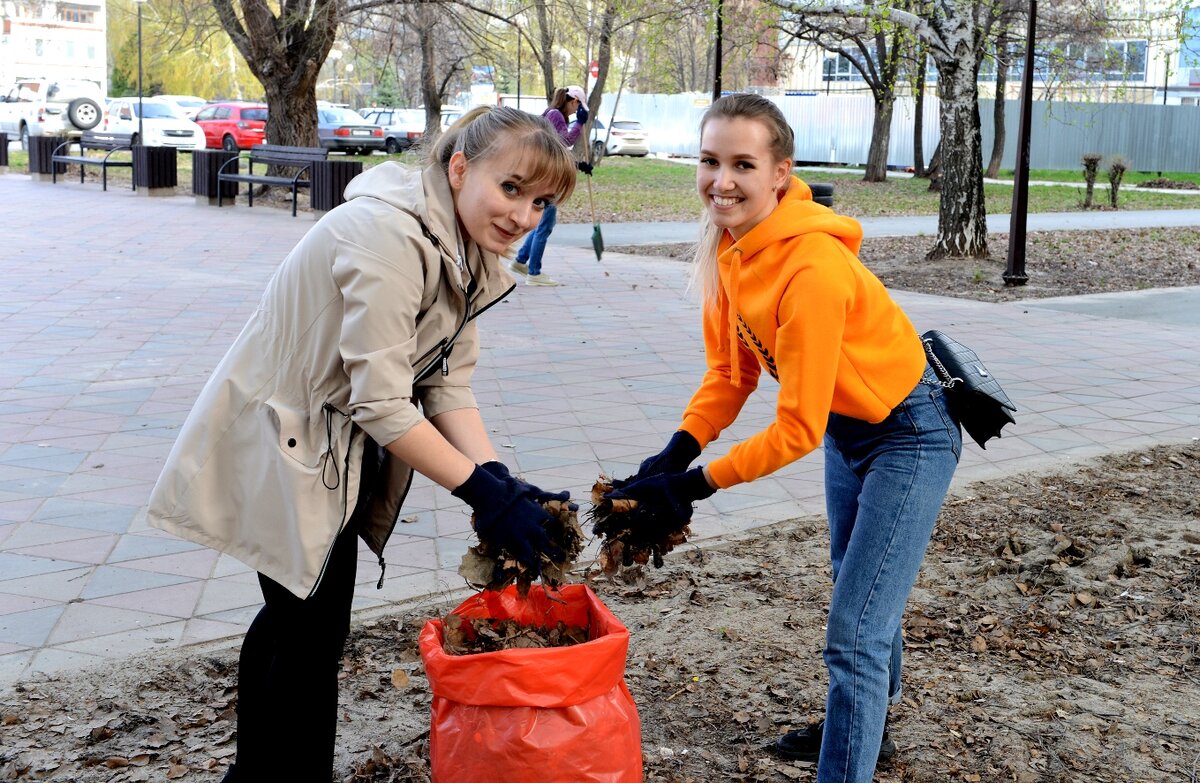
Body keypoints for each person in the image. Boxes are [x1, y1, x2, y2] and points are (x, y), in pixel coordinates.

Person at [146, 106, 580, 783]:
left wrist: (500, 481)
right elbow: (380, 400)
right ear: (460, 167)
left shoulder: (463, 248)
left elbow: (446, 387)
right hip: (284, 447)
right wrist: (483, 492)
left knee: (295, 616)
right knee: (313, 635)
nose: (523, 215)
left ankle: (254, 772)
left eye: (541, 202)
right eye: (512, 187)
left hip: (330, 450)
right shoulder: (387, 236)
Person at [607, 94, 961, 783]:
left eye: (743, 163)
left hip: (910, 435)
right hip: (848, 431)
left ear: (781, 172)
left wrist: (694, 486)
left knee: (856, 629)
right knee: (857, 592)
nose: (722, 180)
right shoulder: (731, 249)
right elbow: (728, 374)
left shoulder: (811, 269)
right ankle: (871, 726)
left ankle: (848, 760)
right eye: (710, 161)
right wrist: (676, 450)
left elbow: (796, 427)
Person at [511, 84, 591, 286]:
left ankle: (521, 261)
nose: (576, 111)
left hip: (546, 175)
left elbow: (554, 149)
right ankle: (534, 274)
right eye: (577, 107)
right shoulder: (555, 114)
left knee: (544, 223)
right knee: (545, 224)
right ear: (573, 101)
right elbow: (565, 141)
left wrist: (578, 165)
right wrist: (579, 123)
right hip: (547, 178)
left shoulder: (554, 115)